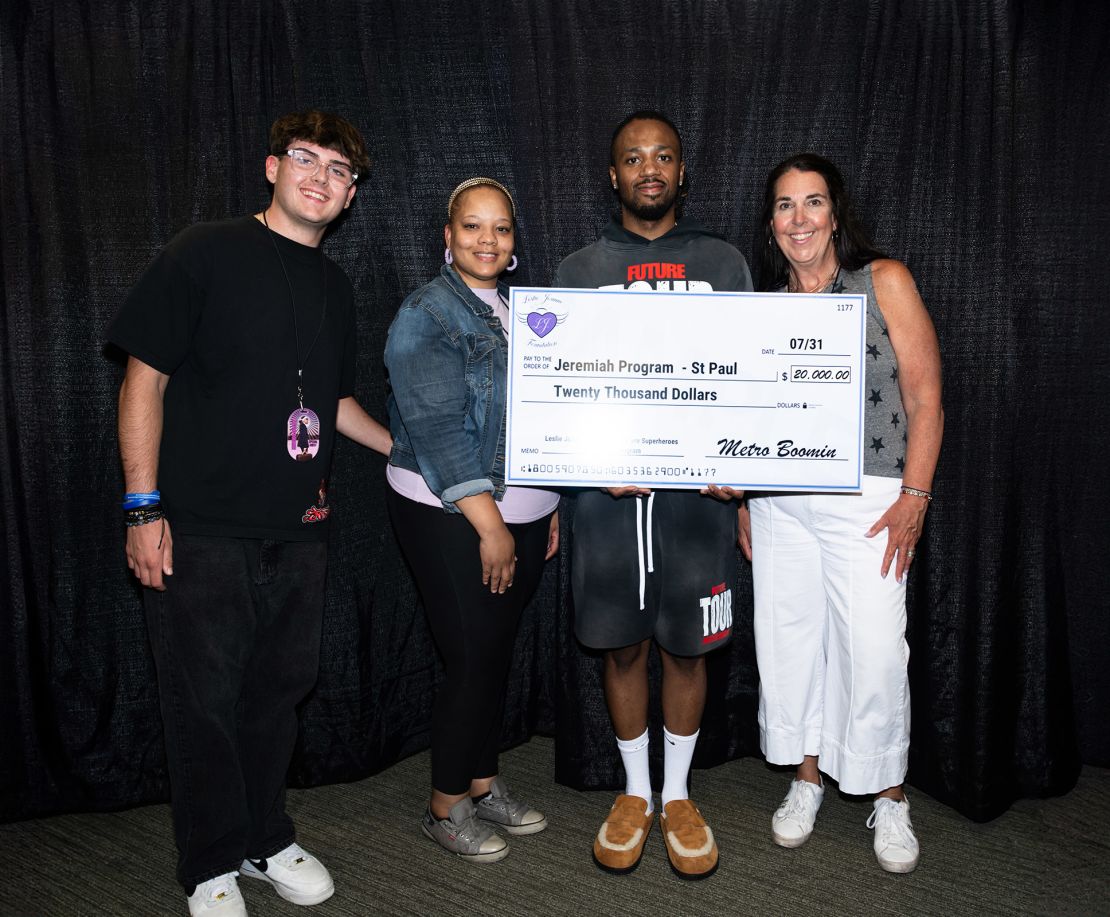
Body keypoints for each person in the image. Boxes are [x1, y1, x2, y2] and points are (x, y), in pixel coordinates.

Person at [107, 110, 392, 916]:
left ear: (349, 196)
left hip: (299, 530)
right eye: (307, 158)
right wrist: (141, 507)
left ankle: (264, 835)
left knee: (280, 690)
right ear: (273, 167)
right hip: (197, 526)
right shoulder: (204, 251)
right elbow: (143, 380)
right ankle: (208, 861)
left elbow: (332, 404)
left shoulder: (335, 286)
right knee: (202, 701)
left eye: (340, 171)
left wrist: (408, 450)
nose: (322, 177)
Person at [554, 111, 752, 879]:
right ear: (613, 175)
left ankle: (677, 794)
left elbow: (751, 378)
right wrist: (579, 461)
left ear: (681, 171)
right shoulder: (574, 270)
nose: (648, 168)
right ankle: (635, 791)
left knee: (688, 646)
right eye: (632, 157)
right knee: (624, 644)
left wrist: (743, 481)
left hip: (697, 500)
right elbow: (557, 391)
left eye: (662, 156)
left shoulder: (724, 260)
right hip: (608, 502)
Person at [740, 152, 943, 873]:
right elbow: (754, 416)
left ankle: (890, 794)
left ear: (835, 213)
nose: (801, 218)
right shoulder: (763, 306)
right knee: (793, 643)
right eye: (787, 206)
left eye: (813, 202)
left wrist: (915, 497)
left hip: (872, 496)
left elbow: (926, 400)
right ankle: (807, 778)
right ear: (772, 223)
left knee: (875, 651)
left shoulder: (882, 280)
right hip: (782, 504)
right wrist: (747, 494)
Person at [384, 177, 560, 863]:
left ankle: (482, 781)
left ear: (514, 243)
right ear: (448, 235)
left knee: (492, 655)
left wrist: (545, 509)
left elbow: (549, 422)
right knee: (471, 658)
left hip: (519, 510)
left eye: (501, 228)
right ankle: (445, 803)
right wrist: (491, 525)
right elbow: (438, 433)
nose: (487, 240)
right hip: (451, 510)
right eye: (472, 226)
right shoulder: (427, 312)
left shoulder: (525, 311)